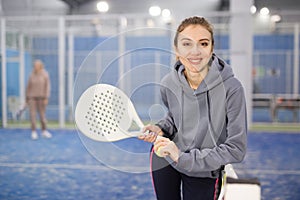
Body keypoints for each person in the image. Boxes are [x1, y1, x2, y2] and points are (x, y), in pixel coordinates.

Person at [139, 16, 247, 200]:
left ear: (212, 48)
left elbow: (236, 148)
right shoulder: (168, 83)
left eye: (203, 44)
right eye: (187, 44)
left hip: (204, 171)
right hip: (164, 159)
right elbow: (175, 119)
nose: (195, 51)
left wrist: (183, 157)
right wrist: (161, 128)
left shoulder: (232, 88)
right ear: (177, 50)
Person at [26, 59, 52, 140]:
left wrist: (46, 97)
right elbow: (28, 87)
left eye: (37, 65)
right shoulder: (31, 75)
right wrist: (26, 98)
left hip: (42, 98)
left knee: (42, 116)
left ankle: (44, 131)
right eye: (34, 65)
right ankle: (33, 132)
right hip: (32, 98)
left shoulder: (45, 74)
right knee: (32, 115)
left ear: (41, 66)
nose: (35, 67)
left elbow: (47, 86)